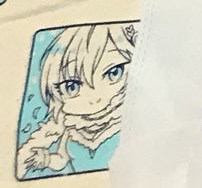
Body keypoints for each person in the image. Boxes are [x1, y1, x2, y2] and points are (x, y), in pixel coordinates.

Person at [16, 22, 136, 177]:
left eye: (114, 72)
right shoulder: (72, 131)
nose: (95, 98)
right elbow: (61, 160)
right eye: (72, 87)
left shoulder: (126, 119)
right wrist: (46, 160)